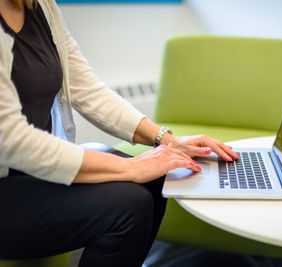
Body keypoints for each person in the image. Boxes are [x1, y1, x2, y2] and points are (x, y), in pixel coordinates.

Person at [0, 0, 239, 266]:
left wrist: (169, 141)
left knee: (155, 179)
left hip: (30, 175)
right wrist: (131, 168)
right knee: (129, 206)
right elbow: (11, 139)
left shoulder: (42, 6)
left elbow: (85, 88)